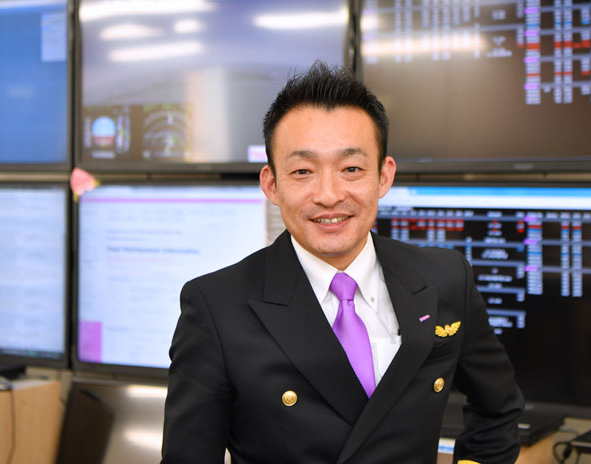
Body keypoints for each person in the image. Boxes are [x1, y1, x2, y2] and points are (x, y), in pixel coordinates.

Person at [161, 62, 524, 464]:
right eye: (303, 171)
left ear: (384, 176)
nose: (329, 195)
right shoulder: (216, 307)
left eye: (351, 169)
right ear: (272, 185)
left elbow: (498, 410)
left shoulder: (444, 277)